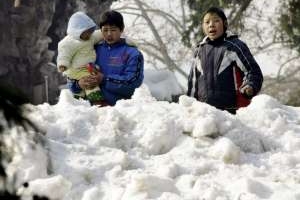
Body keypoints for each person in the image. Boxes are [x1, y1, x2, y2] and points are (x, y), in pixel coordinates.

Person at [187, 7, 263, 114]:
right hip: (205, 112)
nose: (211, 25)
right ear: (203, 26)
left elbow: (252, 71)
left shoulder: (234, 46)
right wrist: (189, 105)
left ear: (225, 24)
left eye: (216, 21)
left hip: (233, 110)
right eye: (207, 22)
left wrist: (249, 86)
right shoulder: (199, 50)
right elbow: (193, 82)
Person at [68, 10, 144, 106]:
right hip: (88, 113)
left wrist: (104, 79)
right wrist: (78, 84)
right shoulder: (90, 50)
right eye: (105, 30)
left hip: (119, 112)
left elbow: (134, 84)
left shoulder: (133, 54)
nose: (109, 34)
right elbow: (72, 73)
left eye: (113, 30)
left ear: (121, 29)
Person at [57, 11, 104, 105]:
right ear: (77, 31)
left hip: (86, 67)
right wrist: (63, 64)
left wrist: (104, 33)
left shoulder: (91, 37)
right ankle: (96, 100)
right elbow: (64, 54)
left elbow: (99, 34)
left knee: (83, 85)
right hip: (76, 69)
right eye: (86, 33)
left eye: (90, 32)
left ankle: (80, 101)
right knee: (90, 81)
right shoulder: (69, 42)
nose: (89, 35)